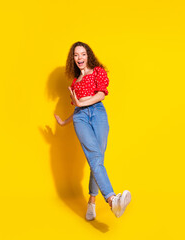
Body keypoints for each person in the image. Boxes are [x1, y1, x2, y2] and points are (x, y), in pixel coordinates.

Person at [54, 41, 131, 220]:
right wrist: (64, 122)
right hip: (80, 118)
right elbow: (77, 108)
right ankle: (113, 200)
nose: (79, 58)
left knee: (98, 159)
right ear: (72, 59)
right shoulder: (75, 83)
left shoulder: (98, 72)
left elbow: (101, 94)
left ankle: (92, 201)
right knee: (94, 156)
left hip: (98, 113)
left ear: (88, 55)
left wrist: (82, 102)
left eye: (82, 54)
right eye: (76, 55)